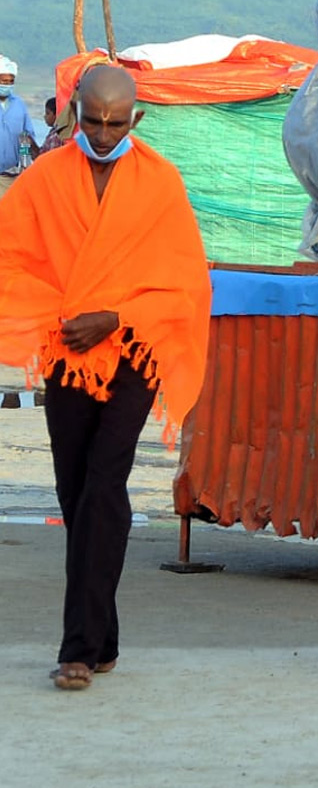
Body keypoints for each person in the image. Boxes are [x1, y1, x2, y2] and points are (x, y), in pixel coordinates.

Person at [0, 65, 211, 690]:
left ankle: (77, 649)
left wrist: (115, 316)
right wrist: (64, 317)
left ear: (136, 119)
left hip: (132, 353)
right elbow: (14, 259)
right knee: (74, 494)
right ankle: (106, 638)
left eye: (115, 122)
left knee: (104, 481)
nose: (101, 133)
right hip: (66, 351)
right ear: (74, 112)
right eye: (92, 120)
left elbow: (183, 284)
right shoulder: (42, 179)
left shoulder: (160, 183)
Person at [0, 55, 40, 194]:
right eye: (4, 82)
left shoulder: (19, 105)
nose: (7, 85)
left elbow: (26, 138)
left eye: (11, 82)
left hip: (12, 175)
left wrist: (25, 162)